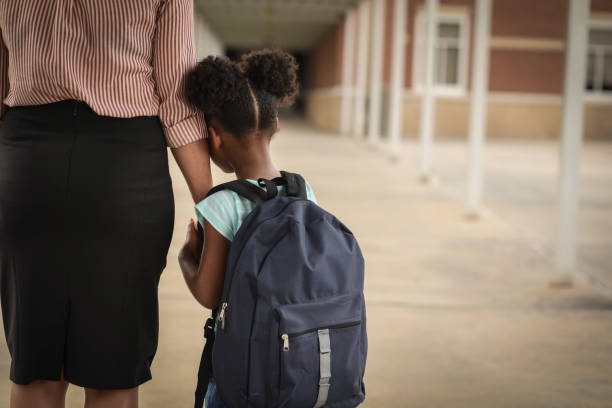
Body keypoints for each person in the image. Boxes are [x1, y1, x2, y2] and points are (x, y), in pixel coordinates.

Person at [0, 1, 211, 407]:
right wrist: (212, 210)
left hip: (27, 168)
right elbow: (177, 99)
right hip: (124, 171)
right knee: (112, 373)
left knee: (35, 367)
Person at [177, 49, 316, 407]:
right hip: (298, 364)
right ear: (276, 126)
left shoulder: (222, 204)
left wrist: (186, 258)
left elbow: (208, 294)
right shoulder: (304, 191)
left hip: (241, 373)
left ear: (215, 137)